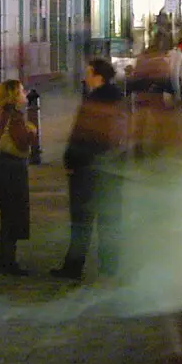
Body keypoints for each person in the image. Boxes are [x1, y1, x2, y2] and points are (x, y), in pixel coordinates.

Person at [54, 58, 124, 281]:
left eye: (88, 73)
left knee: (81, 221)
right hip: (112, 167)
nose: (85, 77)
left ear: (98, 76)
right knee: (109, 220)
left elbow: (82, 135)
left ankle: (73, 267)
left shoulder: (94, 101)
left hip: (87, 168)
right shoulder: (119, 99)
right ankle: (109, 266)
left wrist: (71, 161)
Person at [0, 80, 35, 276]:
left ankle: (4, 258)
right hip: (13, 169)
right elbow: (23, 144)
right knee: (13, 215)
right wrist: (32, 133)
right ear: (14, 95)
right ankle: (7, 261)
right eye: (22, 91)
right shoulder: (14, 117)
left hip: (0, 166)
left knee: (7, 213)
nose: (25, 93)